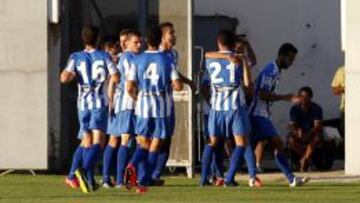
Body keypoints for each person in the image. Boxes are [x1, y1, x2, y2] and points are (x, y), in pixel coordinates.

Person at [124, 26, 183, 193]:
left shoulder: (138, 59)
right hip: (161, 107)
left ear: (146, 41)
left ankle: (131, 165)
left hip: (143, 105)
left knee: (143, 144)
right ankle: (143, 182)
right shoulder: (167, 60)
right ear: (159, 41)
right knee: (155, 145)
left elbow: (129, 86)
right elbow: (177, 86)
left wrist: (138, 98)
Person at [61, 26, 119, 193]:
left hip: (82, 105)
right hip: (99, 104)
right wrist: (110, 78)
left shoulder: (76, 57)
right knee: (98, 143)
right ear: (98, 39)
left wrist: (74, 75)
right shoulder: (104, 56)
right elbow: (116, 76)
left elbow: (64, 78)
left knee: (86, 141)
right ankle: (84, 170)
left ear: (83, 38)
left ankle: (78, 177)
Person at [204, 34, 262, 187]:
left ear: (218, 42)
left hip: (216, 107)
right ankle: (231, 178)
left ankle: (206, 178)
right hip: (235, 106)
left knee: (214, 142)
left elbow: (206, 55)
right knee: (242, 142)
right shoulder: (240, 60)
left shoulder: (211, 59)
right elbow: (249, 84)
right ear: (234, 44)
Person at [249, 43, 309, 187]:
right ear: (281, 56)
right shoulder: (271, 71)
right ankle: (291, 179)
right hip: (258, 114)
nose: (291, 63)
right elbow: (262, 95)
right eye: (290, 59)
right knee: (278, 144)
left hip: (262, 114)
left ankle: (242, 177)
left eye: (293, 59)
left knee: (246, 147)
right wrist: (286, 97)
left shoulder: (275, 70)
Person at [149, 22, 196, 185]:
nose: (174, 35)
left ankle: (154, 174)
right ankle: (143, 173)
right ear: (162, 37)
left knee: (166, 138)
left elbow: (174, 74)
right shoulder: (157, 54)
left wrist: (187, 81)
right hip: (153, 104)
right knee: (152, 140)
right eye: (171, 33)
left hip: (167, 103)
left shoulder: (173, 54)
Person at [102, 30, 142, 188]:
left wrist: (111, 101)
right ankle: (120, 180)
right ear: (126, 43)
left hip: (118, 103)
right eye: (135, 42)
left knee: (114, 139)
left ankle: (107, 178)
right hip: (128, 103)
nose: (139, 45)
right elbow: (128, 84)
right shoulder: (130, 57)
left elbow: (113, 81)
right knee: (127, 140)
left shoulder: (120, 58)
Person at [288, 87, 323, 172]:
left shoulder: (317, 108)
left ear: (310, 97)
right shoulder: (294, 108)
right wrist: (297, 131)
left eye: (305, 96)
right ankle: (306, 159)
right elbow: (292, 125)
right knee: (291, 140)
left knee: (316, 138)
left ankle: (305, 160)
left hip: (312, 133)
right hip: (300, 133)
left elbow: (317, 126)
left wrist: (308, 134)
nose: (303, 98)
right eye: (301, 96)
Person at [331, 66, 345, 137]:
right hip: (345, 109)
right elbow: (334, 90)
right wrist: (343, 88)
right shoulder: (341, 70)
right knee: (345, 132)